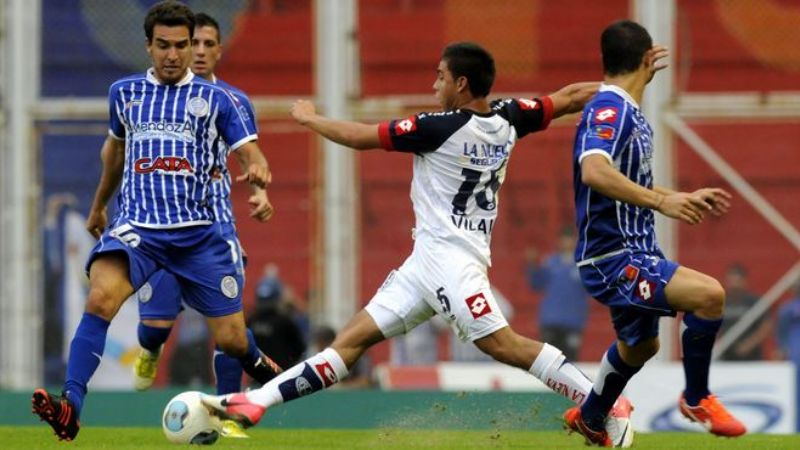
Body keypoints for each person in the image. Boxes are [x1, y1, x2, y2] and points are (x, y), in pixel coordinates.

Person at [202, 42, 635, 446]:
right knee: (349, 343)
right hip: (423, 264)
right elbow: (570, 97)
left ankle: (603, 402)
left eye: (440, 77)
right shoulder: (511, 116)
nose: (434, 85)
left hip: (452, 263)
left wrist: (310, 118)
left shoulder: (436, 128)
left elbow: (360, 137)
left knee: (502, 344)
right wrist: (620, 93)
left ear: (461, 83)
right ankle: (255, 402)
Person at [31, 2, 280, 441]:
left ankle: (257, 363)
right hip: (139, 230)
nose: (173, 55)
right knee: (100, 300)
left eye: (181, 45)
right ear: (148, 46)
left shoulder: (219, 100)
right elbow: (115, 153)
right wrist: (98, 205)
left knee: (233, 341)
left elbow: (249, 151)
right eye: (164, 45)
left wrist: (258, 169)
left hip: (200, 235)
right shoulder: (124, 93)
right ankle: (71, 406)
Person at [563, 20, 745, 446]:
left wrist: (675, 196)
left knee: (641, 347)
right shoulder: (611, 110)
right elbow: (594, 171)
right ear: (650, 59)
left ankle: (591, 416)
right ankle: (696, 399)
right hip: (614, 257)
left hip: (636, 250)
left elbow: (625, 182)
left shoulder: (629, 111)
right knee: (709, 295)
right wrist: (662, 204)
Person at [129, 11, 278, 438]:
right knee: (154, 328)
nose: (196, 51)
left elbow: (250, 156)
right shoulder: (154, 97)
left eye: (206, 44)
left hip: (215, 228)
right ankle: (151, 348)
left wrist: (260, 192)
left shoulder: (232, 101)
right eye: (190, 43)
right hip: (162, 228)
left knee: (227, 328)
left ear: (218, 50)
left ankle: (228, 412)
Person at [525, 227, 589, 361]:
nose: (567, 242)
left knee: (570, 361)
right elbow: (536, 284)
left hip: (573, 321)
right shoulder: (550, 262)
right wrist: (531, 265)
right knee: (548, 361)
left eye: (569, 239)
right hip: (551, 320)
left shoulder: (582, 265)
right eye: (564, 239)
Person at [718, 263, 771, 360]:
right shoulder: (721, 302)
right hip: (726, 354)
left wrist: (748, 344)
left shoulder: (754, 301)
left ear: (744, 281)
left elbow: (766, 326)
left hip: (752, 355)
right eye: (731, 281)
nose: (734, 285)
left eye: (737, 281)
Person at [776, 283, 800, 364]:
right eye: (796, 287)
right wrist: (783, 347)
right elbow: (781, 330)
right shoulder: (787, 308)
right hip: (794, 345)